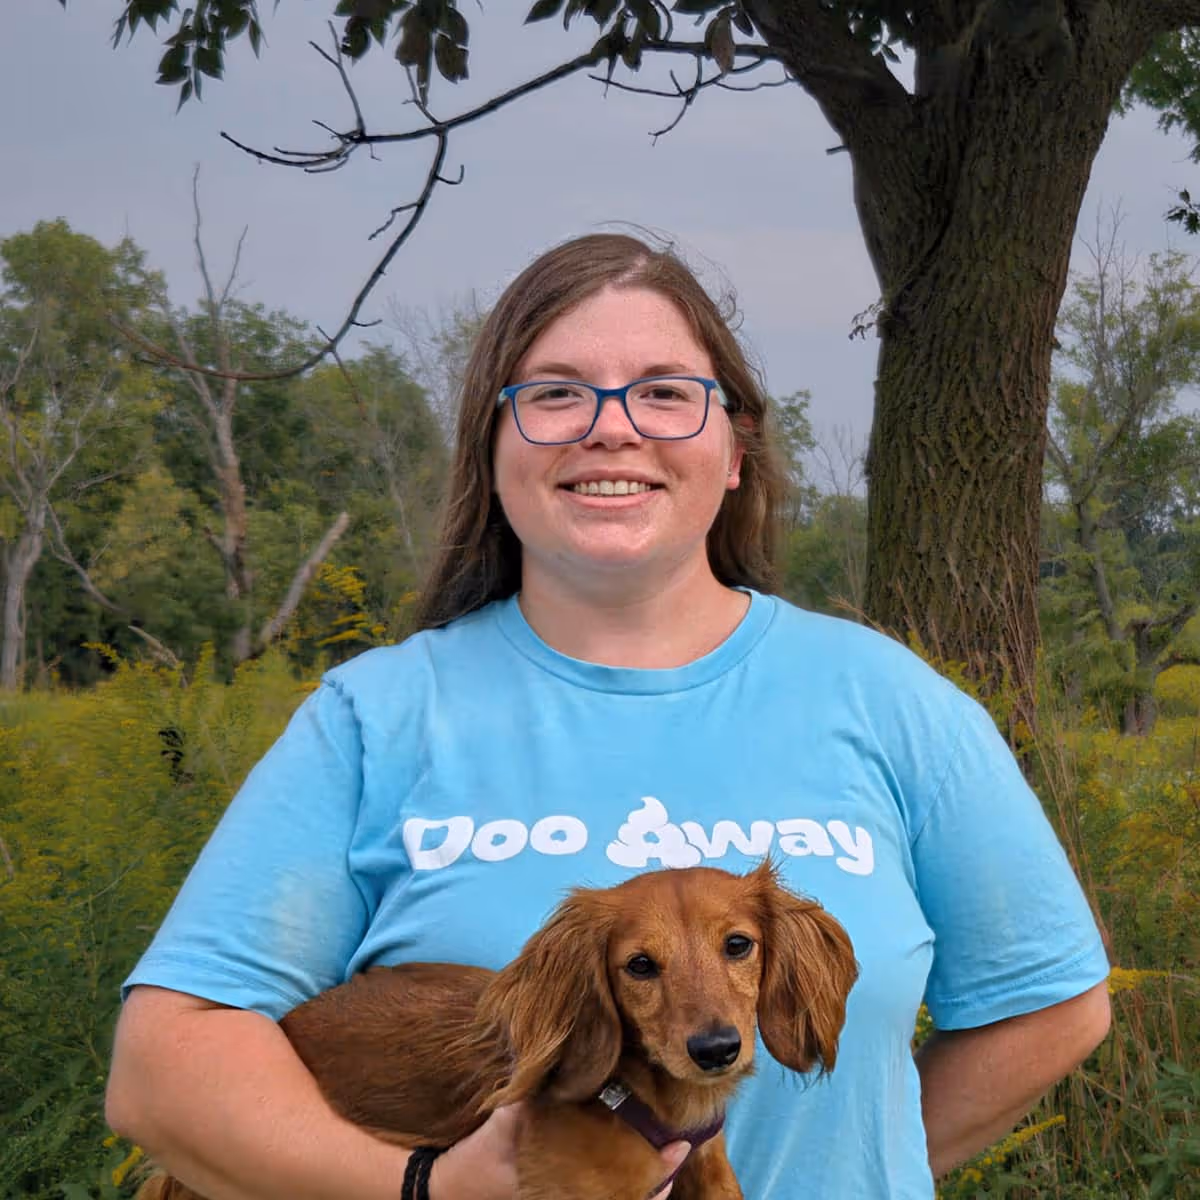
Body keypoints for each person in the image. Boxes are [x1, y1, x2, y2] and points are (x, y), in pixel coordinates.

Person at [106, 233, 1112, 1199]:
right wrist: (421, 1188)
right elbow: (166, 1066)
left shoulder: (891, 700)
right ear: (494, 450)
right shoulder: (378, 717)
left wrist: (859, 1171)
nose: (611, 427)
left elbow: (1052, 1006)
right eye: (555, 395)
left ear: (734, 449)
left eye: (666, 393)